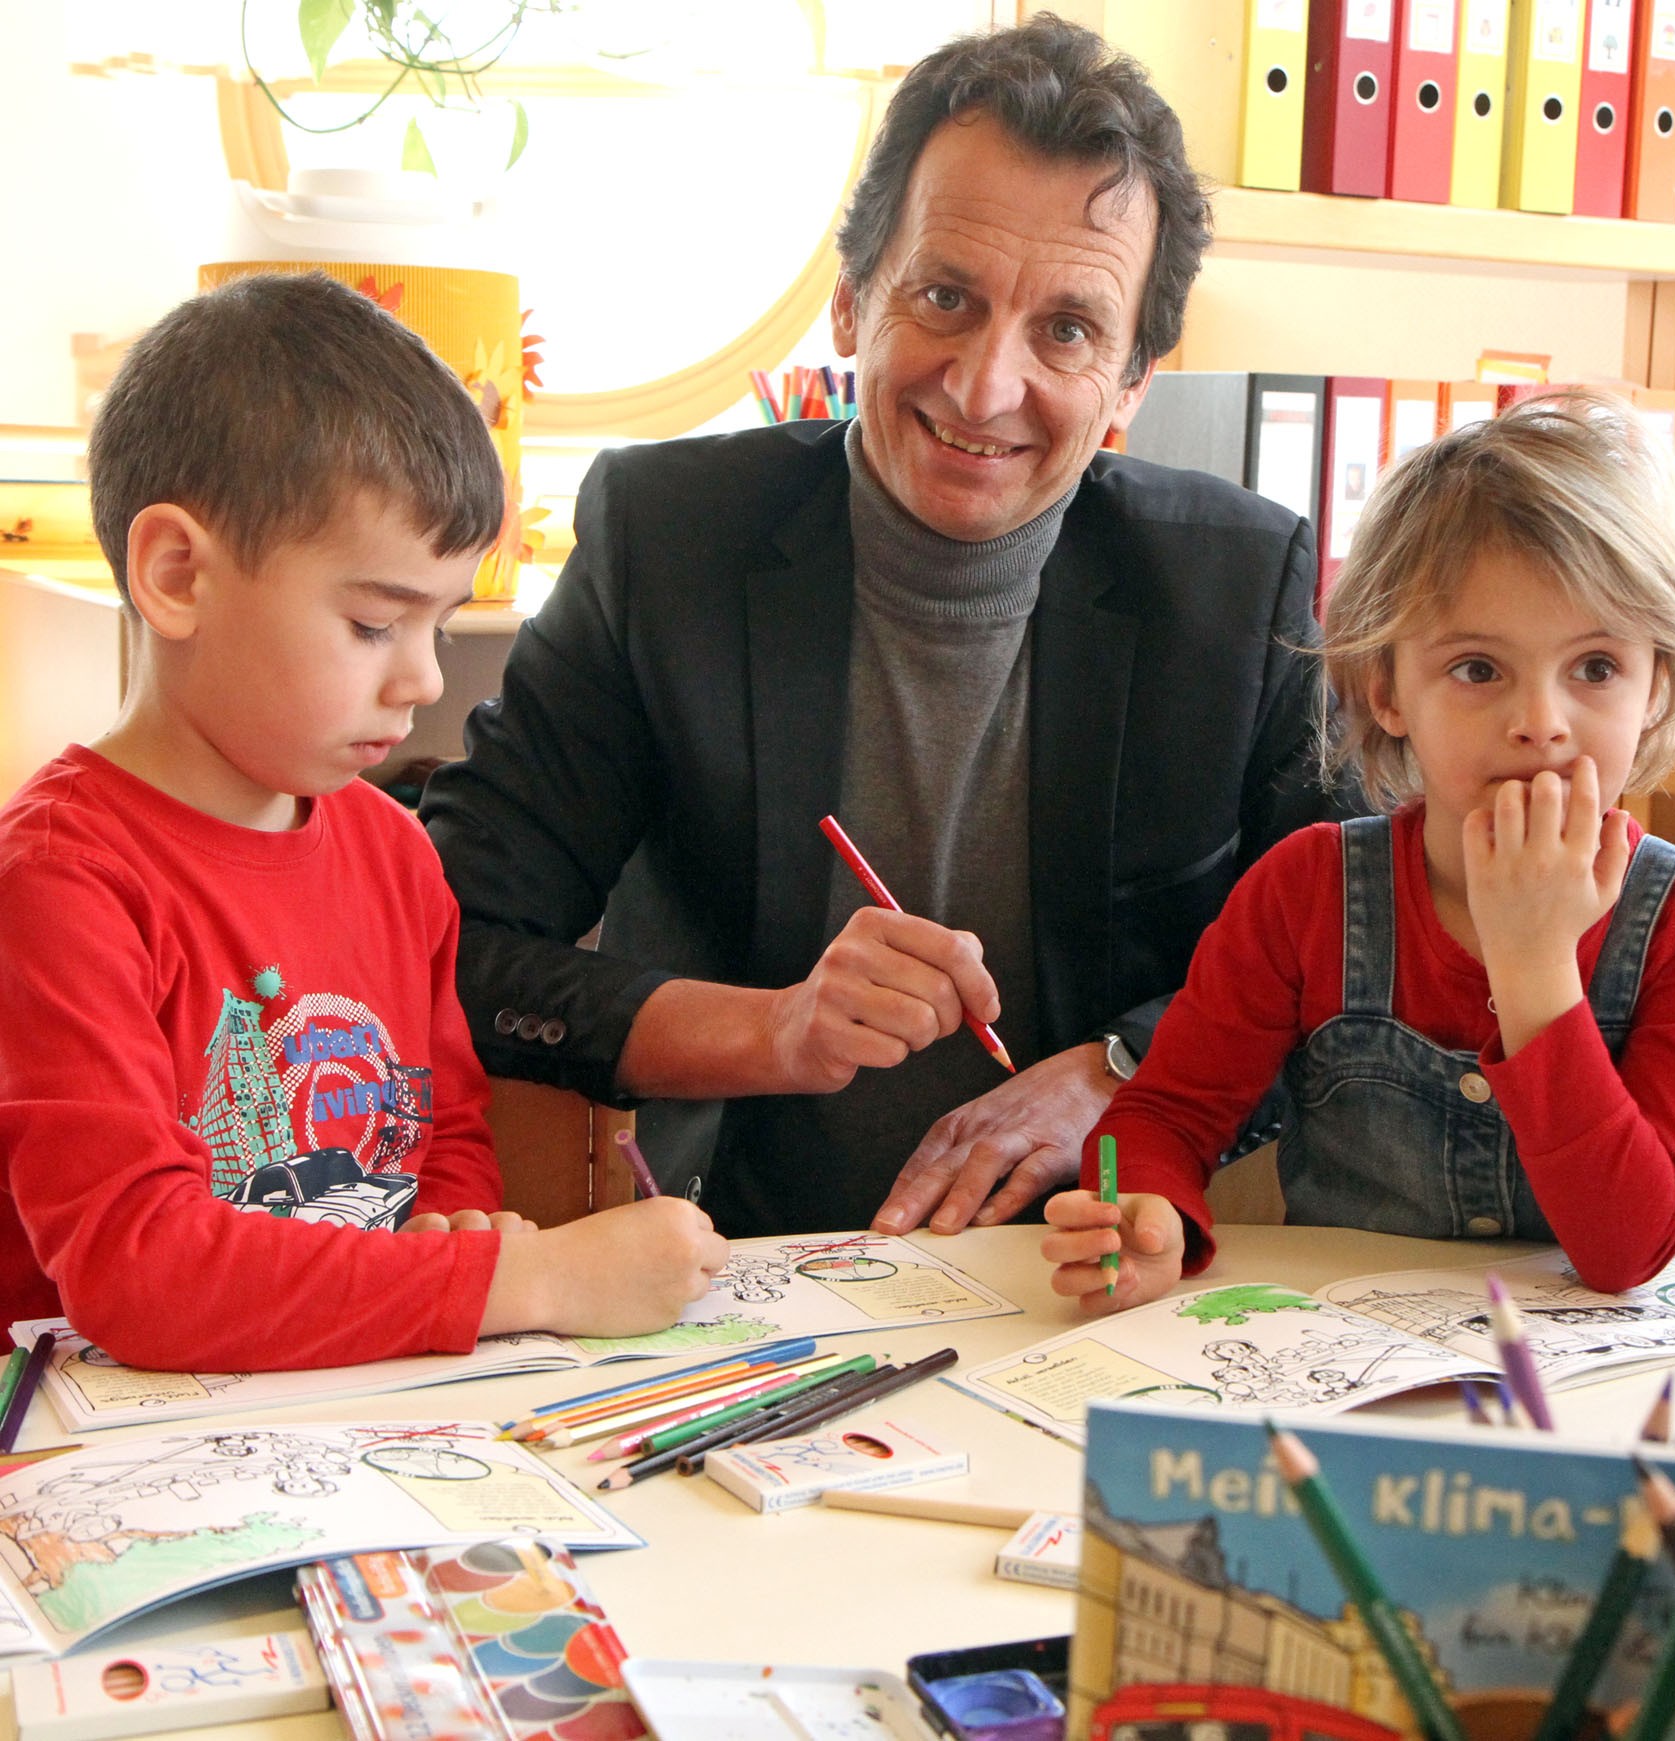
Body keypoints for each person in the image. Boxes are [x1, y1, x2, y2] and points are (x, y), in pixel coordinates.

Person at [421, 15, 1346, 1241]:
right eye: (945, 297)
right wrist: (770, 1029)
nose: (983, 387)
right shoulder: (667, 539)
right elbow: (452, 939)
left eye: (1065, 330)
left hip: (1099, 1271)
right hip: (737, 1259)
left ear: (1131, 380)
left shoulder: (1236, 589)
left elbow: (1354, 968)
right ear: (853, 303)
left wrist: (1125, 1074)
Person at [0, 273, 728, 1373]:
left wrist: (455, 1233)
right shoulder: (61, 882)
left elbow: (437, 1141)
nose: (423, 681)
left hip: (346, 1403)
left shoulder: (393, 854)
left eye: (436, 624)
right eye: (373, 623)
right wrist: (528, 1276)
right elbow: (138, 1271)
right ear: (176, 574)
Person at [1041, 393, 1675, 1305]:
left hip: (1606, 1407)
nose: (1541, 724)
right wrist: (1145, 1209)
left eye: (1596, 668)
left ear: (1657, 685)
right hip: (1351, 1380)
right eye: (1478, 670)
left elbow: (1629, 1250)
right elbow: (1165, 1113)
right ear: (1387, 689)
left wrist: (1534, 963)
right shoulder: (1307, 891)